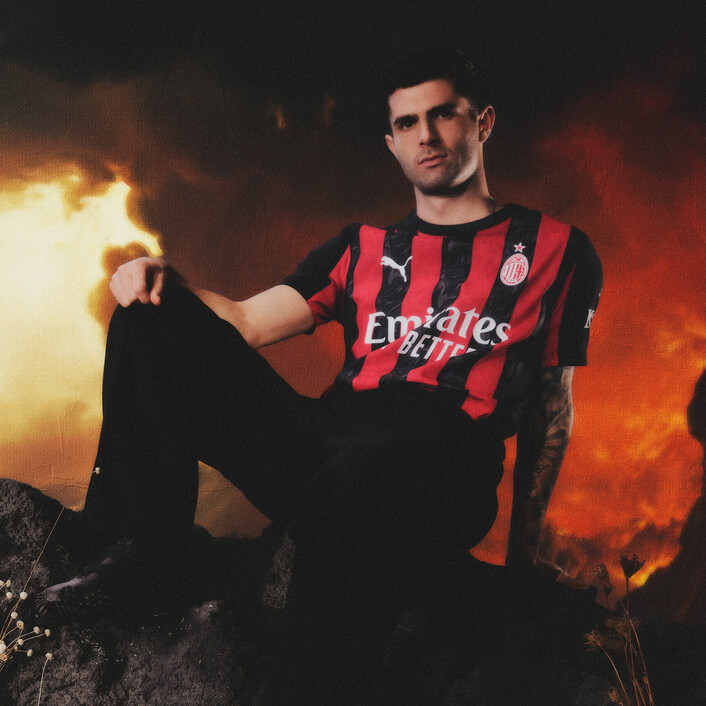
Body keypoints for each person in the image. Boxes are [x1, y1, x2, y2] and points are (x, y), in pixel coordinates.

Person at [38, 47, 602, 701]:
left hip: (442, 459)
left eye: (443, 114)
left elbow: (551, 407)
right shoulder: (361, 249)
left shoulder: (556, 249)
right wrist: (162, 281)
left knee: (363, 472)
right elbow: (246, 322)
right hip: (329, 439)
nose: (425, 135)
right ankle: (147, 556)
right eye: (407, 122)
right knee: (150, 320)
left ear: (482, 122)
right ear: (392, 143)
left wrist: (525, 560)